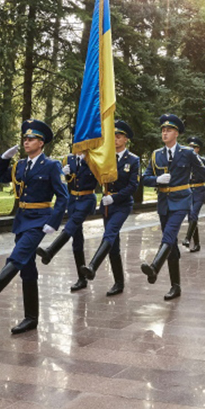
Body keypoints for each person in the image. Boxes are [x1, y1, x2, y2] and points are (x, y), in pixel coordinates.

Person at [0, 119, 68, 334]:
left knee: (17, 256)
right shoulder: (20, 166)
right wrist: (3, 159)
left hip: (40, 221)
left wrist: (53, 223)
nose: (26, 142)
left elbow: (63, 197)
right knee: (27, 268)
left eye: (31, 139)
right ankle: (31, 318)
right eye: (25, 138)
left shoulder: (52, 166)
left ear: (41, 143)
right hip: (22, 219)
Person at [141, 114, 205, 300]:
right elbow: (144, 178)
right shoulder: (157, 155)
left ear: (177, 133)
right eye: (163, 130)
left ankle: (155, 266)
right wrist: (156, 179)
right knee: (171, 245)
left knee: (169, 234)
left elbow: (202, 170)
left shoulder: (187, 153)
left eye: (169, 130)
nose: (165, 133)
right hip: (164, 202)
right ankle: (176, 286)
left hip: (181, 201)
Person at [78, 120, 140, 296]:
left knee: (110, 234)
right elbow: (91, 171)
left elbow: (132, 187)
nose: (115, 139)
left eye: (118, 136)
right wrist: (84, 158)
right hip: (107, 206)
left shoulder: (133, 160)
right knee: (113, 245)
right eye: (113, 135)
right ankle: (119, 283)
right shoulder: (106, 158)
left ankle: (92, 266)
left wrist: (115, 198)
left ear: (126, 139)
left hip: (122, 205)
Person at [35, 149, 97, 292]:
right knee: (77, 239)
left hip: (87, 199)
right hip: (73, 200)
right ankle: (82, 279)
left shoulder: (93, 158)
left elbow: (101, 176)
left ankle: (51, 251)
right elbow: (62, 182)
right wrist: (63, 173)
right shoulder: (67, 159)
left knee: (72, 224)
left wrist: (85, 162)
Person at [182, 136, 205, 253]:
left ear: (198, 149)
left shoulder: (204, 161)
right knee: (191, 218)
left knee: (193, 215)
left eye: (194, 147)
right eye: (190, 147)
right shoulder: (184, 160)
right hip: (189, 192)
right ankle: (197, 244)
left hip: (199, 191)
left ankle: (188, 238)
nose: (192, 149)